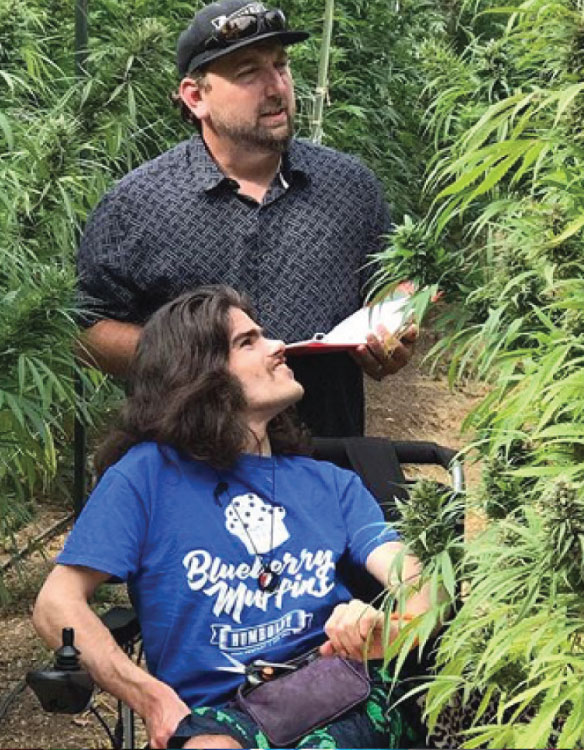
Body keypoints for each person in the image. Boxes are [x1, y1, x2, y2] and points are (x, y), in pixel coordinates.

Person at [34, 285, 432, 749]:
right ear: (199, 374)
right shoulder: (147, 475)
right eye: (248, 342)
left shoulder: (330, 484)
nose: (278, 346)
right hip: (220, 719)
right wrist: (152, 697)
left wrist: (392, 628)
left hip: (340, 693)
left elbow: (418, 580)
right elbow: (56, 605)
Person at [76, 0, 418, 438]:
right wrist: (194, 354)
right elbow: (86, 329)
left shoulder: (349, 185)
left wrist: (394, 329)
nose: (276, 87)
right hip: (192, 462)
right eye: (248, 73)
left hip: (327, 462)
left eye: (280, 65)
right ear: (196, 96)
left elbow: (393, 284)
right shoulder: (138, 205)